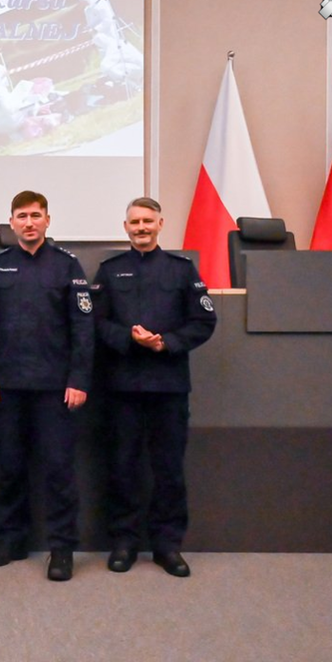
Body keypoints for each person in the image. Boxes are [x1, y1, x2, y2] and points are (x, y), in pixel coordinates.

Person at [92, 197, 216, 578]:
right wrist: (129, 337)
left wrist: (166, 343)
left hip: (168, 386)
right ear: (125, 227)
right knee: (122, 466)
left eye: (148, 221)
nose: (141, 227)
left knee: (168, 469)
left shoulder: (182, 270)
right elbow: (95, 323)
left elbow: (204, 321)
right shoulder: (110, 271)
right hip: (123, 386)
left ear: (161, 224)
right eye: (134, 222)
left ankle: (167, 545)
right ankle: (124, 542)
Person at [0, 190, 94, 581]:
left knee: (59, 470)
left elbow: (83, 328)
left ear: (48, 220)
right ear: (11, 222)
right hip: (7, 386)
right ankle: (12, 539)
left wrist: (79, 379)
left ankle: (62, 548)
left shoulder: (67, 266)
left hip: (54, 388)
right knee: (10, 466)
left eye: (36, 215)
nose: (29, 222)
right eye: (21, 216)